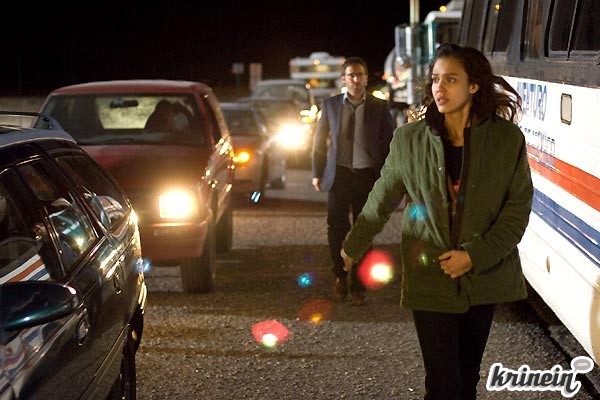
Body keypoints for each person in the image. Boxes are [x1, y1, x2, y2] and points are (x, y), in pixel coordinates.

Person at [341, 43, 533, 399]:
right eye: (435, 80)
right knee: (443, 384)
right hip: (429, 272)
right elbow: (382, 197)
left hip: (483, 277)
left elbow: (517, 209)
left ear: (474, 85)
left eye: (450, 79)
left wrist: (474, 255)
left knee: (467, 379)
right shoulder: (409, 139)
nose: (439, 88)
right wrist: (354, 243)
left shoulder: (507, 140)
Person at [312, 57, 394, 306]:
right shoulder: (331, 105)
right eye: (351, 75)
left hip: (367, 175)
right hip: (339, 175)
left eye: (360, 75)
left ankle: (359, 286)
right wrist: (317, 172)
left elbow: (389, 142)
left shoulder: (379, 107)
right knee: (336, 228)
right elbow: (319, 141)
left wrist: (389, 176)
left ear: (367, 78)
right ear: (344, 79)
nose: (356, 79)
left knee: (364, 230)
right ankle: (340, 274)